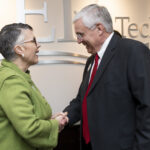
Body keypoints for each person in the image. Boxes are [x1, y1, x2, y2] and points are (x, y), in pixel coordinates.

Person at [63, 4, 150, 150]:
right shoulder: (91, 61)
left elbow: (147, 106)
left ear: (99, 29)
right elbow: (82, 99)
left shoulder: (133, 52)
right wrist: (65, 117)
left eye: (80, 34)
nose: (78, 40)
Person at [0, 23, 68, 150]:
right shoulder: (11, 81)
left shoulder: (20, 76)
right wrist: (55, 124)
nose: (38, 46)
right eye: (34, 41)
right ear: (19, 49)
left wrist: (48, 120)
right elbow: (29, 128)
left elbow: (27, 117)